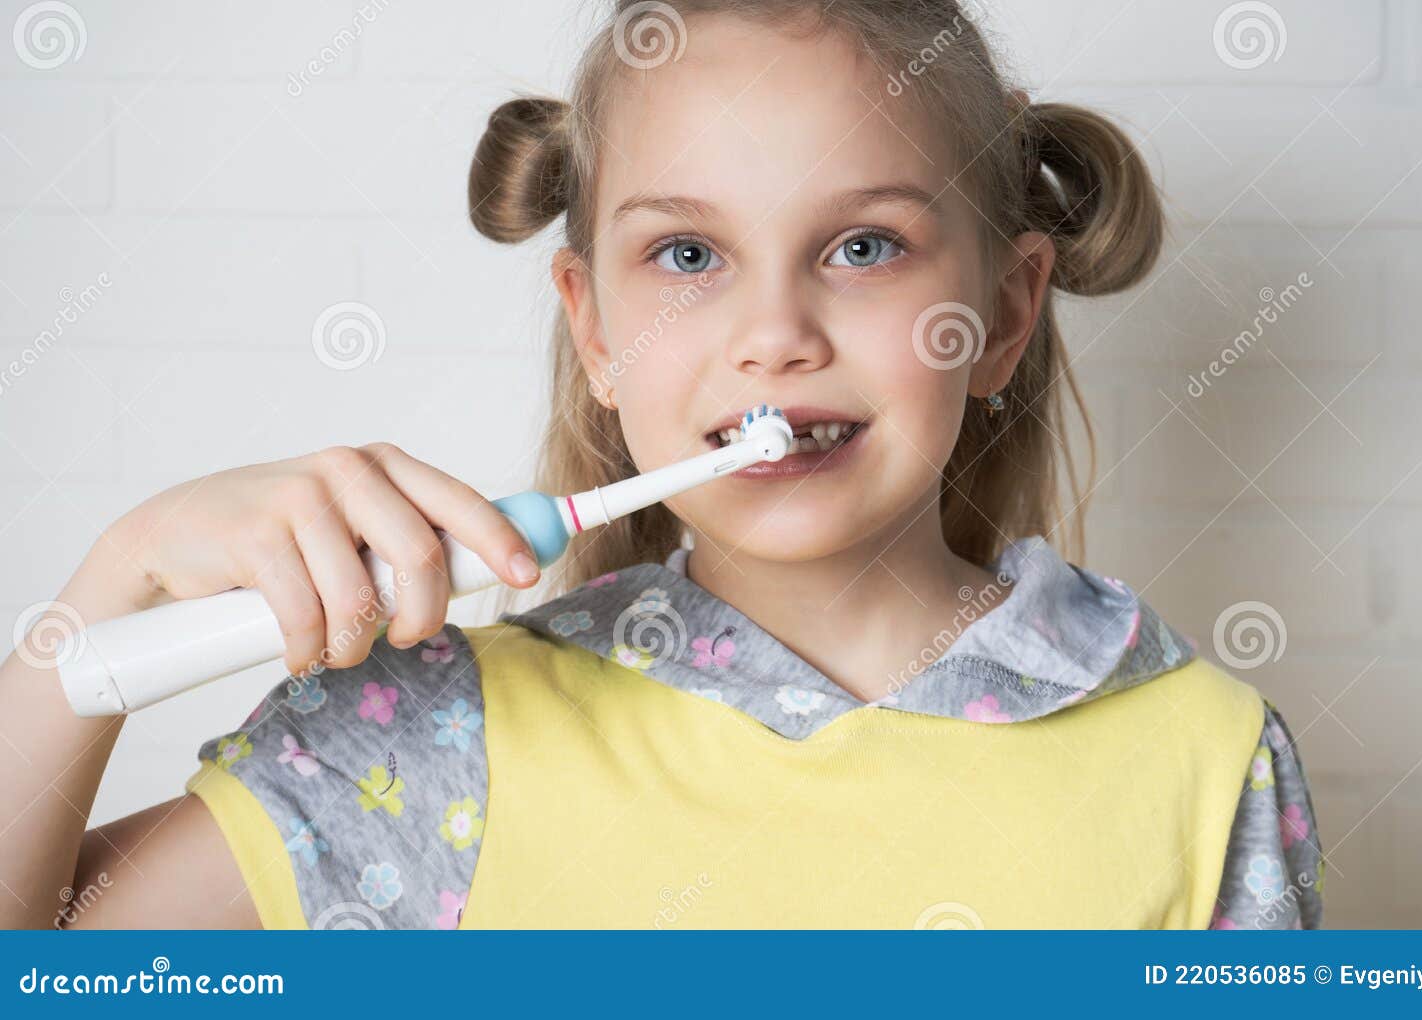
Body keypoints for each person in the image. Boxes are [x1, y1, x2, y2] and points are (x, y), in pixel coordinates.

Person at [0, 0, 1322, 930]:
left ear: (1007, 313)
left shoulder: (1202, 758)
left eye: (864, 247)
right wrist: (119, 578)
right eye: (687, 256)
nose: (774, 338)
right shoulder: (437, 746)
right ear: (596, 332)